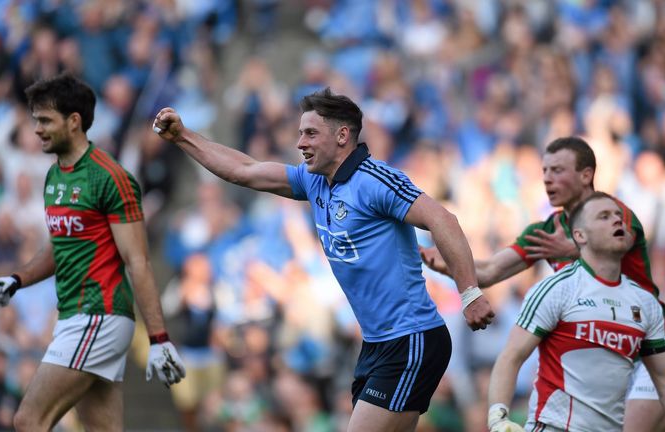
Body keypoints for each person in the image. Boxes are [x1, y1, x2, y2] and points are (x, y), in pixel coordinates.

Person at [152, 87, 495, 432]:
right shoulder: (313, 181)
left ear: (342, 136)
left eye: (311, 133)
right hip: (376, 345)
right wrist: (183, 137)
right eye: (301, 133)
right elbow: (245, 170)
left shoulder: (376, 180)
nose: (300, 142)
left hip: (411, 338)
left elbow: (442, 219)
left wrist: (469, 292)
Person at [420, 136, 665, 431]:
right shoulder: (548, 230)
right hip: (614, 353)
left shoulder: (614, 216)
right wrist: (451, 264)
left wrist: (574, 249)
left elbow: (611, 251)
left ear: (586, 175)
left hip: (661, 347)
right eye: (545, 171)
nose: (547, 179)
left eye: (558, 170)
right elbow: (489, 271)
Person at [0, 73, 186, 431]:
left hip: (98, 314)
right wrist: (18, 279)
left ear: (74, 121)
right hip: (77, 315)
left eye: (45, 120)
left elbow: (138, 260)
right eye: (35, 120)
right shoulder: (55, 177)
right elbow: (59, 246)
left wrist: (159, 338)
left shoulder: (109, 177)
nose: (37, 130)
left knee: (28, 419)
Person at [486, 192, 665, 432]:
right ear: (579, 235)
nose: (617, 220)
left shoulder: (645, 303)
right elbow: (511, 357)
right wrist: (498, 417)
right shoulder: (556, 289)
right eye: (604, 216)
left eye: (618, 216)